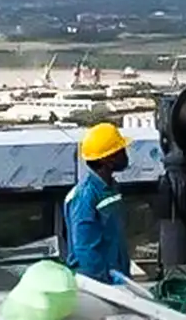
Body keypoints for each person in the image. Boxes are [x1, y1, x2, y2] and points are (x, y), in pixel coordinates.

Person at [65, 122, 134, 284]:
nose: (125, 155)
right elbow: (85, 249)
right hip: (97, 285)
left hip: (117, 278)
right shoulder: (85, 196)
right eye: (120, 151)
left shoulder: (111, 188)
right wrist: (105, 283)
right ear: (107, 160)